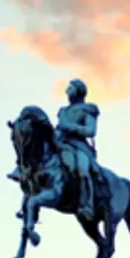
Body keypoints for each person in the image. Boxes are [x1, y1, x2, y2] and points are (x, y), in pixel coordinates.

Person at [55, 79, 102, 221]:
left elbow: (91, 131)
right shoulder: (63, 111)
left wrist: (70, 127)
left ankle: (87, 204)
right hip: (61, 144)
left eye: (70, 88)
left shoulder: (88, 109)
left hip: (79, 146)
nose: (67, 92)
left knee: (82, 169)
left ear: (78, 91)